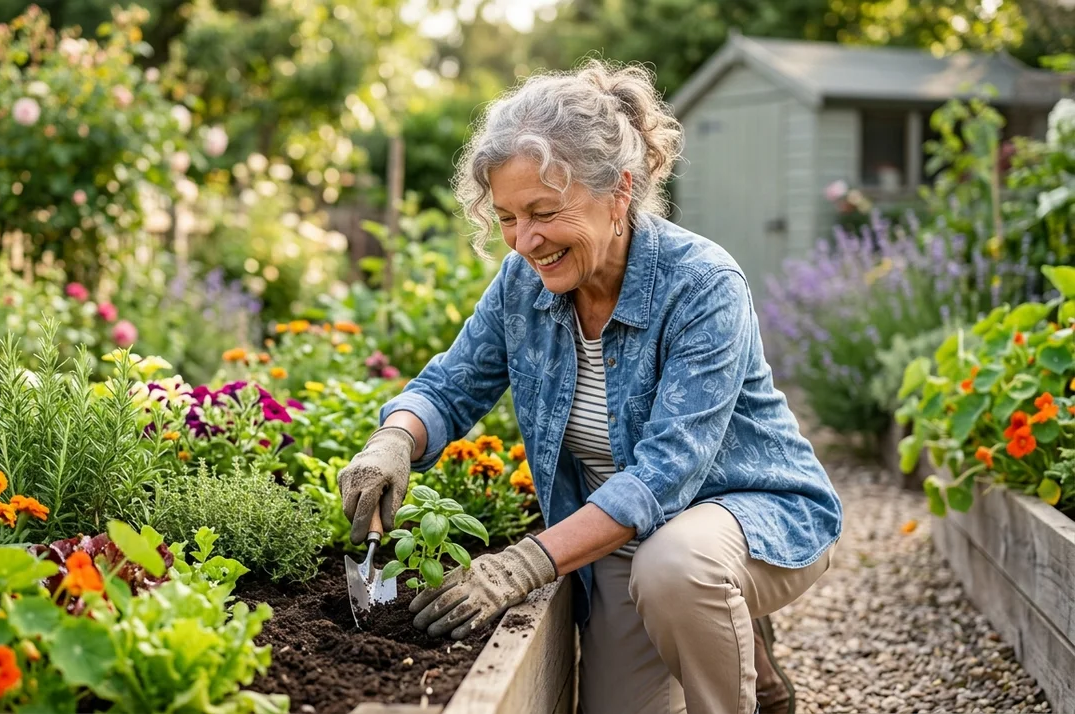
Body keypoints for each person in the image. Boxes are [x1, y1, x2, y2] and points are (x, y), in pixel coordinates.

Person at [337, 59, 844, 714]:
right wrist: (392, 442)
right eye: (509, 217)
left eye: (545, 212)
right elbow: (453, 383)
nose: (525, 241)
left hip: (752, 514)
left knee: (677, 569)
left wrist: (521, 565)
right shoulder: (523, 287)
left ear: (619, 193)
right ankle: (727, 634)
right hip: (619, 538)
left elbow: (665, 473)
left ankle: (741, 675)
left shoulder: (702, 285)